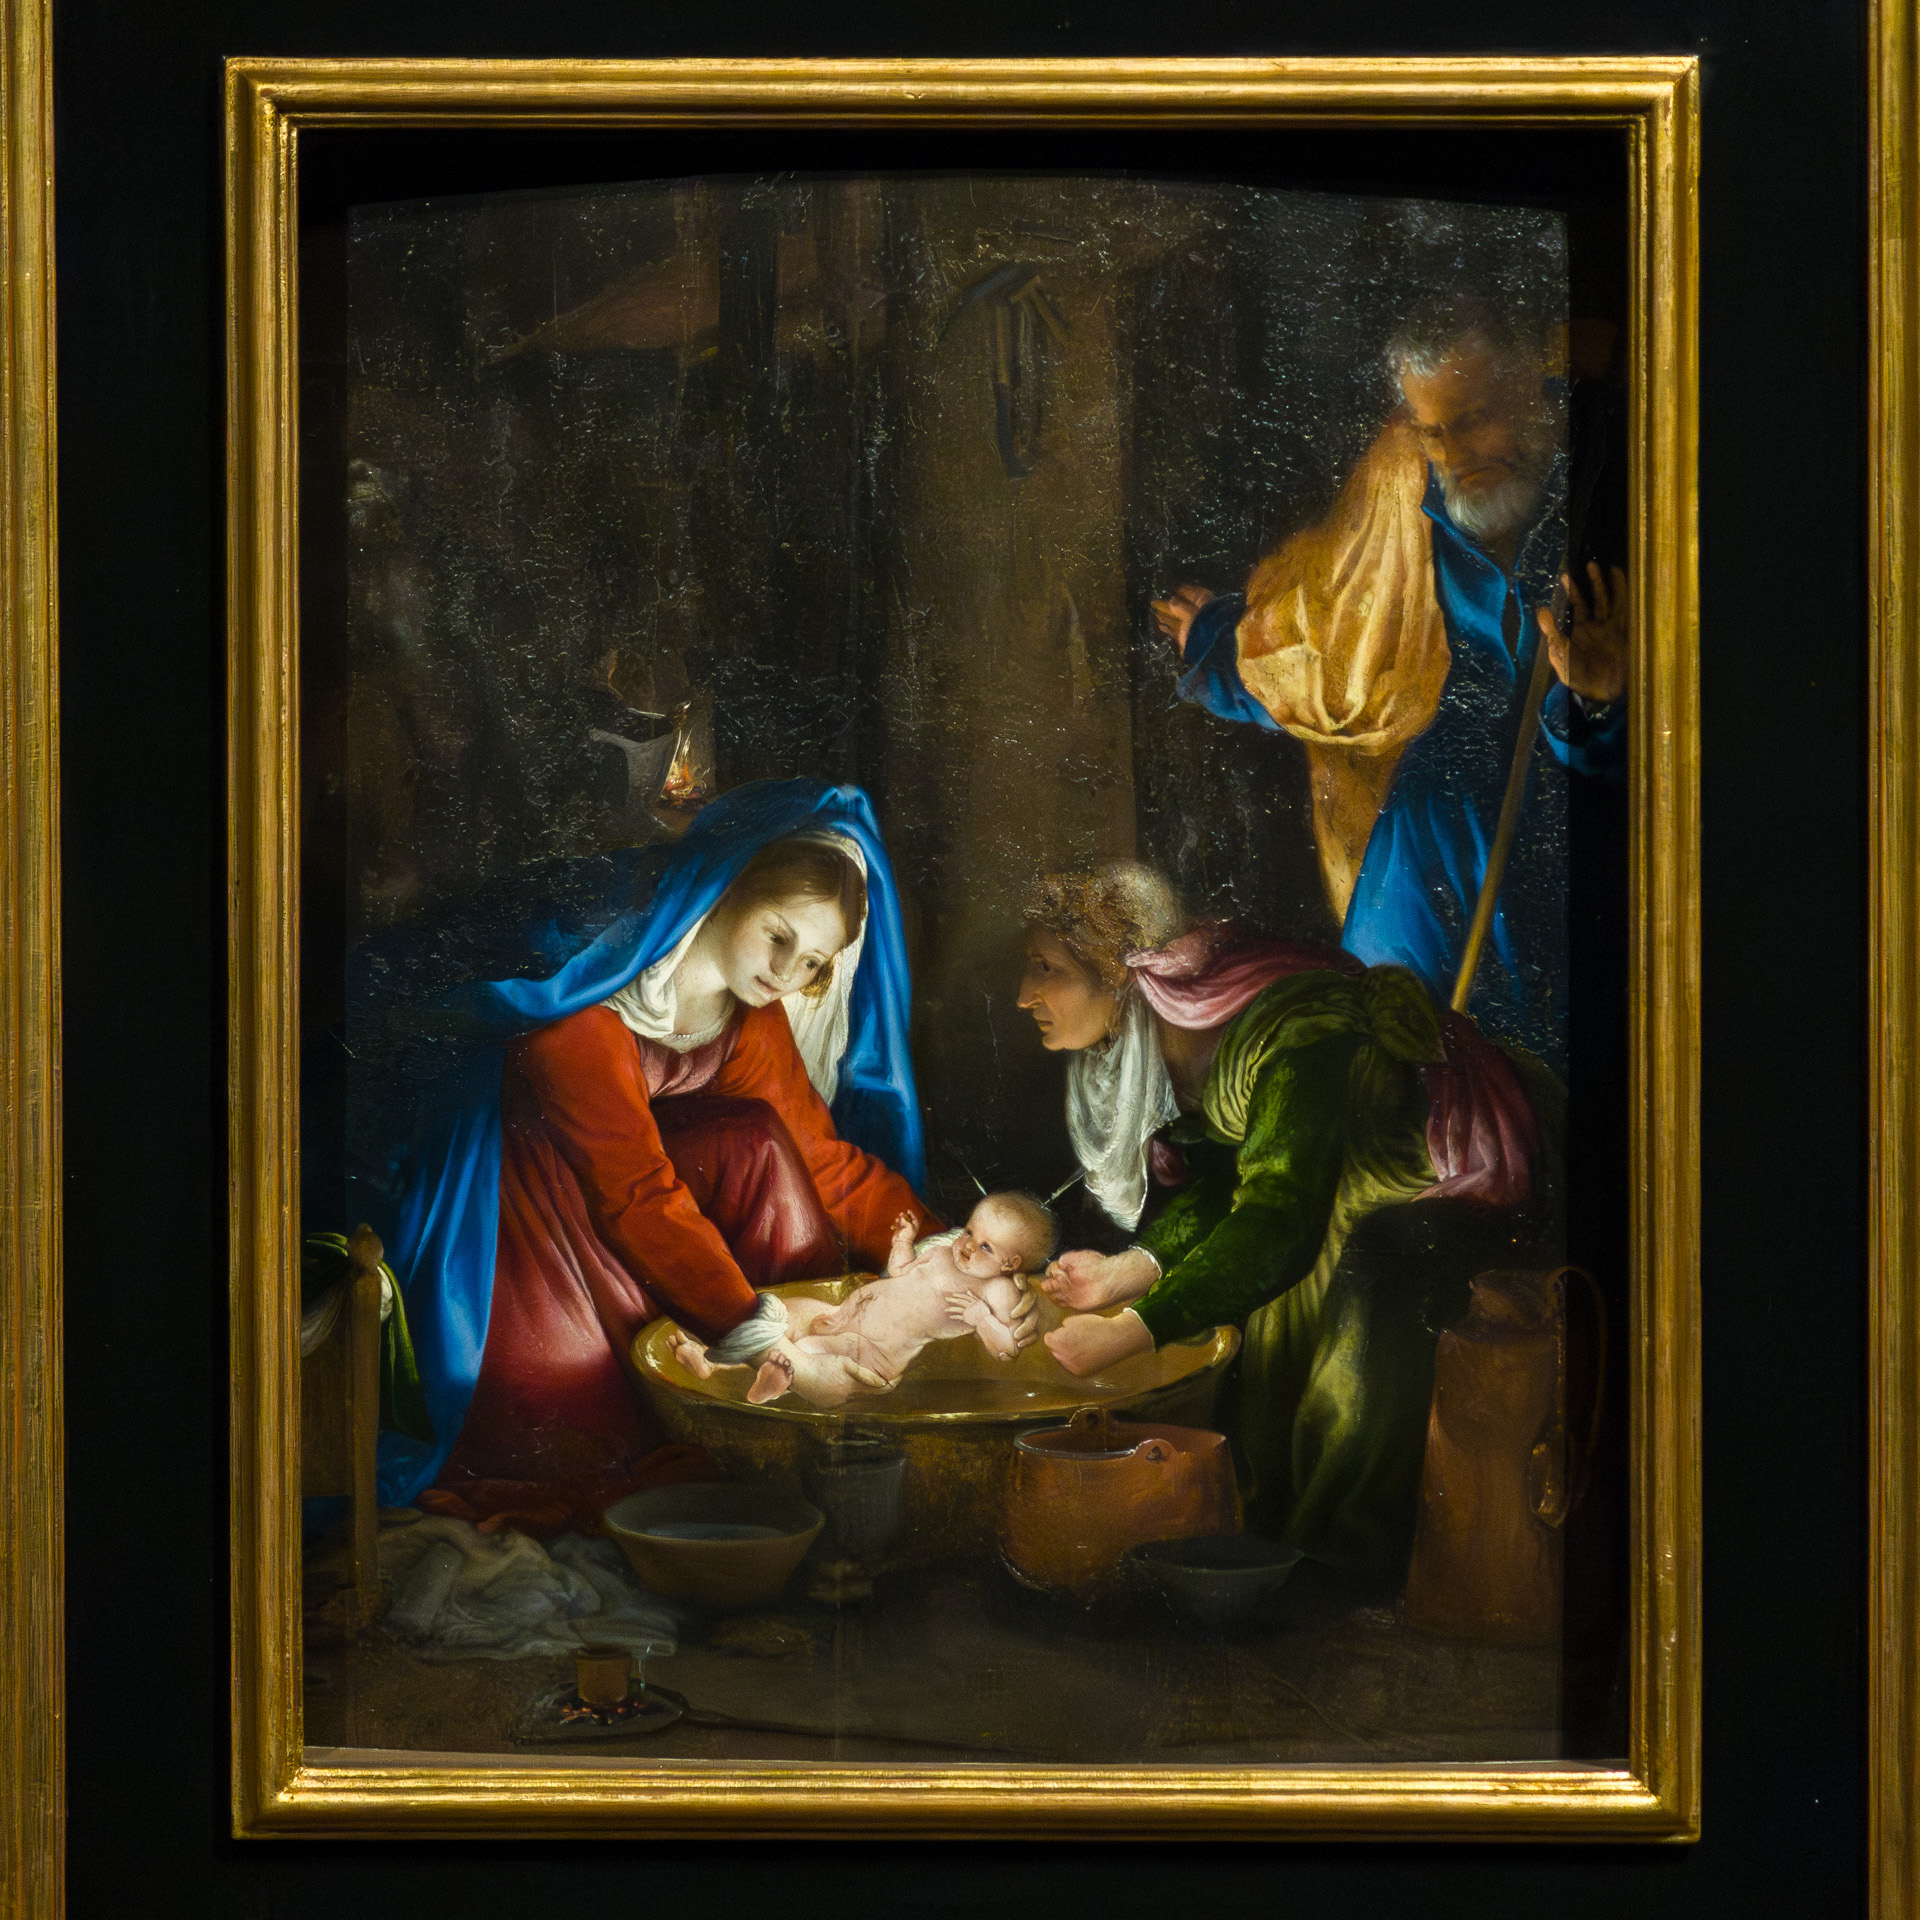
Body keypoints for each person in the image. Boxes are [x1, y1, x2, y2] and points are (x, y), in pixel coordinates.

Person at [366, 779, 950, 1536]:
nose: (786, 971)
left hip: (637, 1213)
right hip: (526, 1223)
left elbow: (823, 1161)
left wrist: (945, 1257)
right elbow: (631, 1188)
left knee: (760, 1140)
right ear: (724, 887)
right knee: (587, 1446)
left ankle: (808, 1361)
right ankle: (769, 1363)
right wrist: (762, 1341)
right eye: (777, 934)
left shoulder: (748, 1012)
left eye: (813, 961)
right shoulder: (585, 1003)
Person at [1018, 859, 1558, 1594]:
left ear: (1116, 973)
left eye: (1044, 968)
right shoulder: (1183, 1038)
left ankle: (1342, 1568)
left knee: (1364, 1304)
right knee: (1269, 1341)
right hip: (1335, 1208)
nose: (1024, 995)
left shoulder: (1294, 1029)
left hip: (1472, 1183)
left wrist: (1133, 1330)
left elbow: (1278, 1217)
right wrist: (1130, 1270)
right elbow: (1230, 1185)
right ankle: (1275, 1549)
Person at [1152, 293, 1628, 1078]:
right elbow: (1332, 643)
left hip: (1571, 868)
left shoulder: (1609, 485)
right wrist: (1220, 643)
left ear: (1531, 389)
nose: (1453, 452)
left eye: (1475, 419)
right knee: (1393, 1084)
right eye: (1434, 430)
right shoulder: (1408, 494)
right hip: (1424, 859)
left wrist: (1596, 701)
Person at [674, 1191, 1054, 1408]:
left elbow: (1008, 1348)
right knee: (786, 1313)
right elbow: (899, 1272)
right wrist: (903, 1243)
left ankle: (773, 1384)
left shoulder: (995, 1290)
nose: (968, 1246)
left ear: (1010, 1263)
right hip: (844, 1315)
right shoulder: (942, 1253)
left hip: (873, 1350)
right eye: (969, 1232)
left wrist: (982, 1319)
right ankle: (711, 1359)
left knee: (806, 1350)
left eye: (985, 1246)